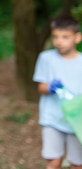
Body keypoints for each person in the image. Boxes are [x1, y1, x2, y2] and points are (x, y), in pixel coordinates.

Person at [33, 14, 82, 169]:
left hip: (77, 121)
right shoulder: (46, 58)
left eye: (65, 37)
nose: (59, 41)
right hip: (52, 119)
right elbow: (40, 87)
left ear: (77, 37)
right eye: (55, 37)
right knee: (54, 161)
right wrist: (50, 87)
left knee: (77, 163)